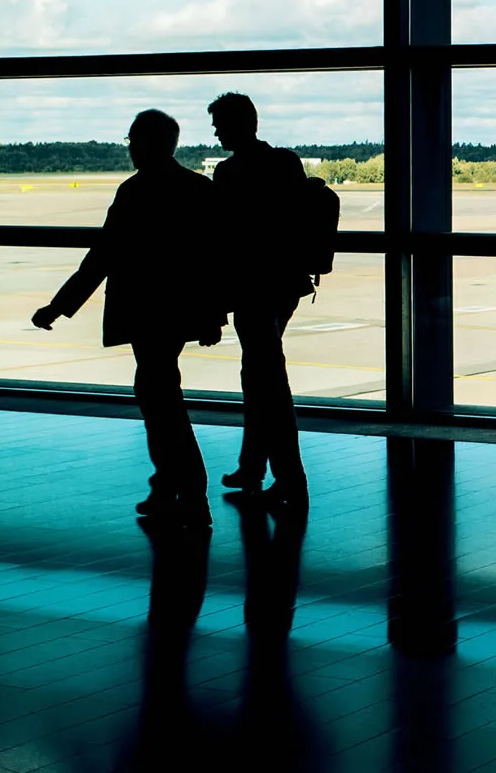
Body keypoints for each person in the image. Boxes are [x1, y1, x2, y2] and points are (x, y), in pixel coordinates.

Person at [33, 110, 224, 526]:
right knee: (159, 393)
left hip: (144, 309)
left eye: (134, 141)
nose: (130, 148)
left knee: (160, 398)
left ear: (149, 143)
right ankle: (173, 485)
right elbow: (214, 262)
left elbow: (102, 256)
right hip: (176, 311)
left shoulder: (134, 192)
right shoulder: (197, 189)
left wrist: (60, 305)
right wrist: (213, 317)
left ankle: (187, 488)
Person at [206, 92, 314, 508]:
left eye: (219, 124)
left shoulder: (230, 173)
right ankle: (253, 466)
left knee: (266, 381)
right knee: (259, 375)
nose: (215, 132)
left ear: (237, 124)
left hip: (251, 287)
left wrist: (214, 302)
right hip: (285, 283)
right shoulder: (286, 162)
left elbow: (222, 241)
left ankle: (290, 478)